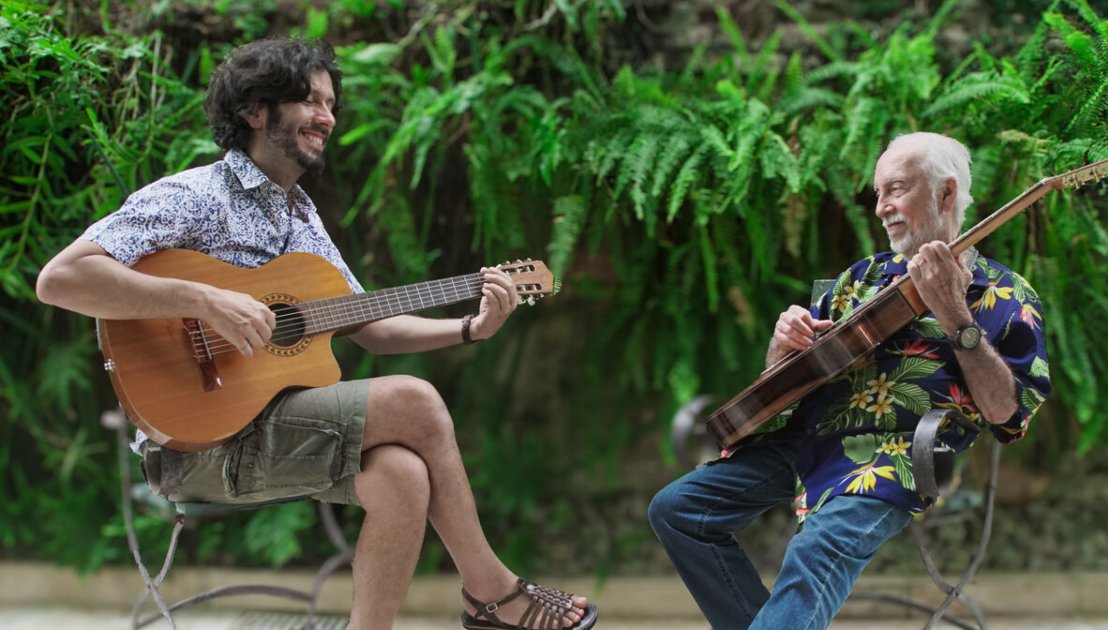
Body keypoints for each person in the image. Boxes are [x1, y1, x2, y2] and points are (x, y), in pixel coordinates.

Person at [36, 37, 597, 630]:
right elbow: (62, 278)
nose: (327, 117)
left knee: (402, 475)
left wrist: (468, 328)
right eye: (309, 100)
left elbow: (364, 321)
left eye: (331, 103)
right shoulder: (192, 196)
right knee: (414, 399)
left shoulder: (301, 216)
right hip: (198, 443)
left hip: (271, 427)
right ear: (256, 110)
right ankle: (493, 595)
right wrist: (203, 298)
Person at [648, 132, 1051, 629]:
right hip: (809, 438)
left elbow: (1007, 415)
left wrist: (955, 314)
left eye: (896, 190)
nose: (881, 208)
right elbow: (791, 385)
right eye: (878, 193)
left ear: (946, 193)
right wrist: (780, 352)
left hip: (896, 455)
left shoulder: (1007, 294)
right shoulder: (862, 279)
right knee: (678, 510)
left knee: (815, 550)